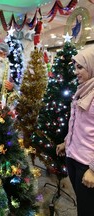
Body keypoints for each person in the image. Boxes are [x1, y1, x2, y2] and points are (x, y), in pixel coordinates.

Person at [56, 47, 94, 216]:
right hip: (73, 157)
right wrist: (67, 142)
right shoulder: (83, 89)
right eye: (75, 67)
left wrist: (93, 170)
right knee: (83, 205)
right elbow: (76, 123)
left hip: (87, 164)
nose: (75, 72)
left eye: (80, 67)